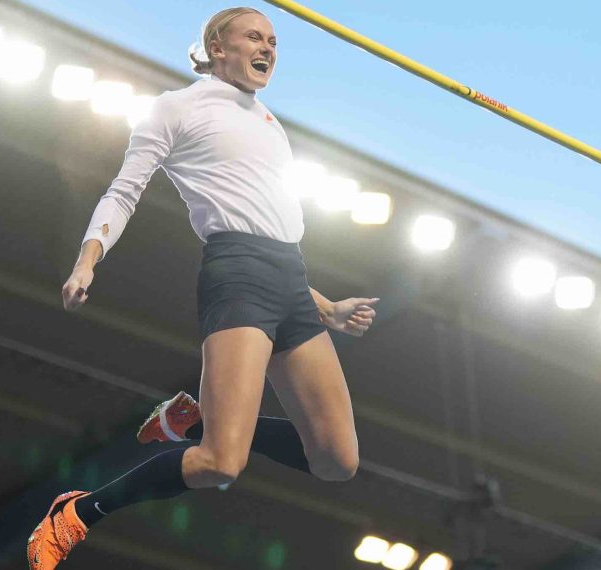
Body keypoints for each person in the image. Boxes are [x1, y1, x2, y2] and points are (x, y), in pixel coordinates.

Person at [28, 7, 379, 569]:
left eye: (273, 40)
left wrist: (326, 307)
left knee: (338, 460)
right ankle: (77, 513)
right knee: (220, 463)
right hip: (236, 278)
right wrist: (86, 261)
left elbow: (273, 232)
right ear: (218, 46)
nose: (267, 48)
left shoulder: (270, 122)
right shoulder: (176, 108)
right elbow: (124, 192)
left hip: (289, 281)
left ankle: (192, 417)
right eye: (253, 37)